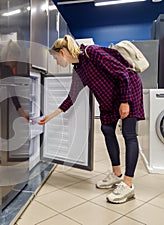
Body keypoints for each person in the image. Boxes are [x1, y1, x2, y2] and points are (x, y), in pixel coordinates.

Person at [38, 34, 145, 204]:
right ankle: (117, 174)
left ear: (63, 52)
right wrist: (49, 116)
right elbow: (71, 97)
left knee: (128, 133)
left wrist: (125, 101)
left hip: (127, 90)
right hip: (109, 100)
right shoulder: (78, 69)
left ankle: (128, 184)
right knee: (107, 129)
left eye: (56, 57)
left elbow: (123, 73)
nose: (56, 62)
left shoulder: (92, 53)